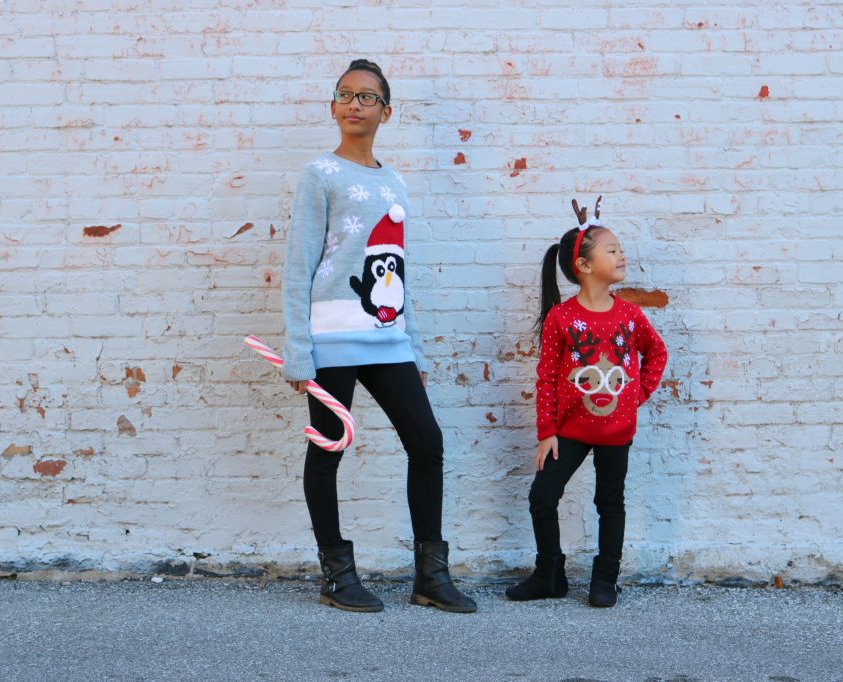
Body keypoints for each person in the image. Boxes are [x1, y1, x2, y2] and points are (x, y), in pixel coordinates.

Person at [282, 59, 475, 614]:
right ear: (333, 107)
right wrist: (299, 350)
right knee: (327, 452)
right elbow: (299, 265)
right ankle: (337, 575)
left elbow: (397, 266)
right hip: (331, 340)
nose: (353, 104)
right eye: (344, 95)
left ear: (385, 112)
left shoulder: (394, 182)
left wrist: (409, 343)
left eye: (366, 97)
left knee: (427, 442)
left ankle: (430, 577)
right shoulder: (319, 173)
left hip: (386, 338)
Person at [506, 197, 668, 607]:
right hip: (569, 431)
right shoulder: (562, 317)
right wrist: (547, 433)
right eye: (612, 250)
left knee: (610, 501)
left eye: (620, 249)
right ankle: (549, 574)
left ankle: (605, 577)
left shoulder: (630, 316)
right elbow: (545, 376)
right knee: (543, 495)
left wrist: (637, 395)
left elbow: (657, 353)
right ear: (584, 265)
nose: (622, 255)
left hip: (617, 429)